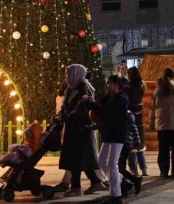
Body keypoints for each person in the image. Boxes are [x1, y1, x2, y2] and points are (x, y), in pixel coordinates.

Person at [56, 64, 104, 197]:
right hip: (73, 128)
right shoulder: (71, 89)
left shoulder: (84, 90)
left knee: (77, 159)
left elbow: (81, 110)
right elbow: (65, 107)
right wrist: (60, 116)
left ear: (76, 74)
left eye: (68, 74)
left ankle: (76, 187)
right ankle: (95, 182)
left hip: (81, 129)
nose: (66, 77)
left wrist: (68, 117)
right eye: (66, 74)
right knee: (80, 159)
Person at [85, 75, 130, 204]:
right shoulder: (108, 97)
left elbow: (108, 113)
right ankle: (122, 181)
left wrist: (93, 104)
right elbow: (98, 107)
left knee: (112, 163)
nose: (107, 86)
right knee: (101, 162)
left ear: (116, 85)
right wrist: (91, 102)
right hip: (108, 133)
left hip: (118, 134)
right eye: (107, 83)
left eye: (109, 84)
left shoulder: (121, 99)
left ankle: (115, 196)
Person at [124, 66, 149, 177]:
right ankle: (144, 169)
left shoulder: (127, 88)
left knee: (131, 148)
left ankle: (134, 171)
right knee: (140, 146)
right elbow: (143, 83)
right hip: (139, 120)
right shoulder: (142, 86)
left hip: (129, 119)